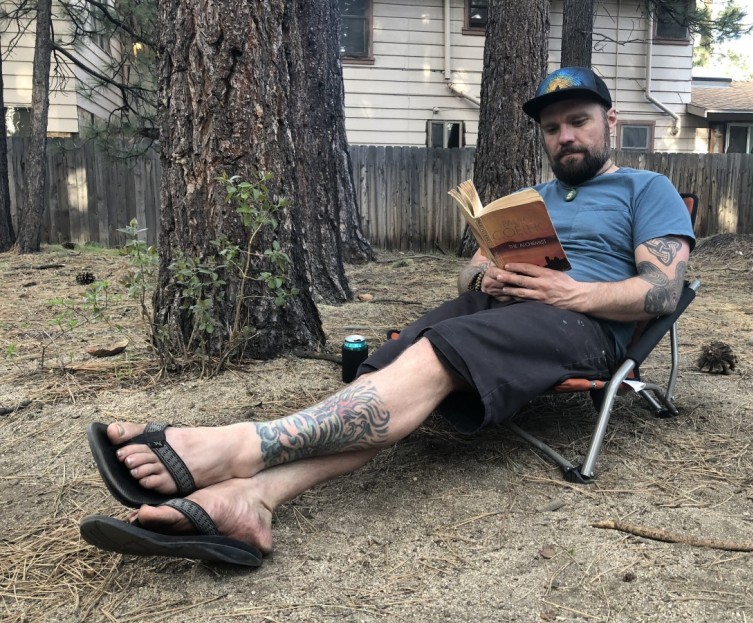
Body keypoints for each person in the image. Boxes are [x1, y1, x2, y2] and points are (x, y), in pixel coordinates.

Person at [81, 67, 695, 566]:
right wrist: (484, 277)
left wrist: (570, 293)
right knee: (386, 375)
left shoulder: (647, 189)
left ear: (610, 121)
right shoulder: (529, 199)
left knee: (434, 357)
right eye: (553, 127)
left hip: (580, 325)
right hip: (501, 309)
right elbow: (467, 273)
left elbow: (662, 291)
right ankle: (253, 501)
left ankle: (241, 445)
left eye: (579, 121)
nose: (565, 136)